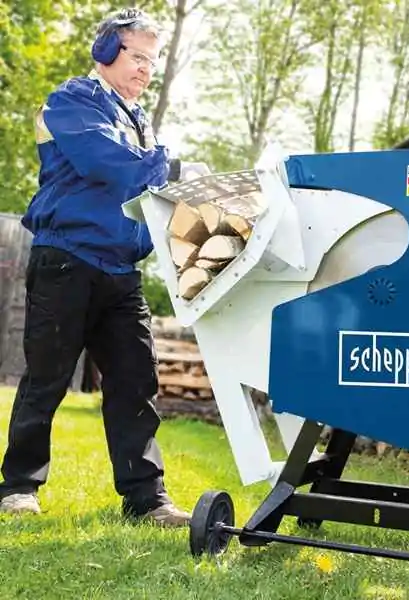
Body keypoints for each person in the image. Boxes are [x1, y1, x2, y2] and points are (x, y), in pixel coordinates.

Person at [0, 7, 208, 526]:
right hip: (66, 259)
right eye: (138, 57)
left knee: (136, 381)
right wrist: (173, 166)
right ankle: (19, 487)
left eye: (152, 62)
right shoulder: (71, 100)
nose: (146, 70)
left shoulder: (141, 123)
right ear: (106, 51)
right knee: (47, 379)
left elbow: (150, 189)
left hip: (121, 269)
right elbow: (105, 163)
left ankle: (147, 500)